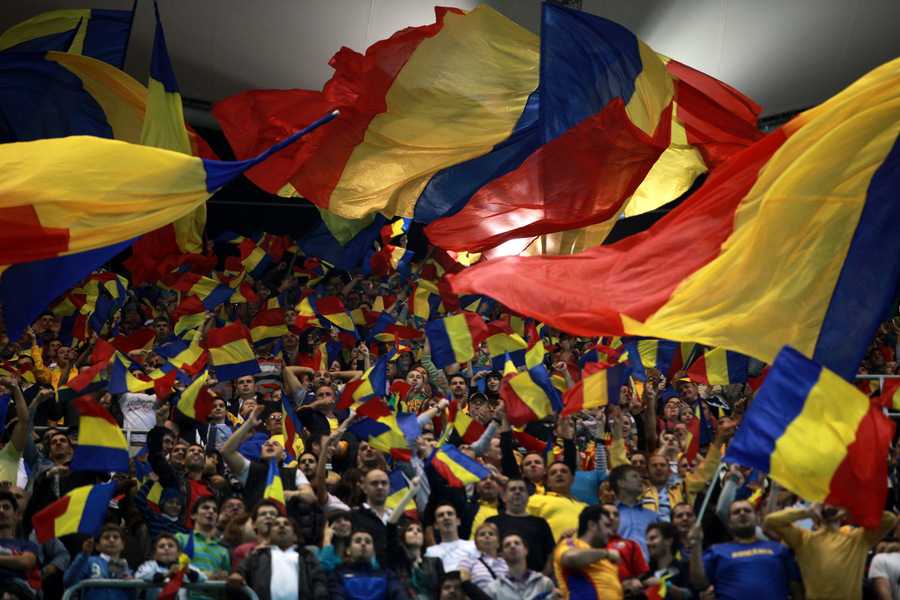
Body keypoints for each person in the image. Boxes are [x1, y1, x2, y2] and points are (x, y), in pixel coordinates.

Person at [764, 502, 897, 600]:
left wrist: (850, 510)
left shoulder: (858, 538)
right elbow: (771, 521)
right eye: (825, 504)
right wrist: (807, 512)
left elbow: (889, 519)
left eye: (834, 503)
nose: (829, 506)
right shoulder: (804, 539)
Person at [691, 500, 801, 599]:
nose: (742, 513)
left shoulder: (778, 548)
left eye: (747, 510)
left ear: (757, 518)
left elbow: (795, 586)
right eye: (736, 512)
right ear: (729, 523)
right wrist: (696, 545)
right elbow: (699, 583)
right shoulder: (716, 550)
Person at [229, 516, 330, 600]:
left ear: (295, 536)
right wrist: (237, 575)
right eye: (276, 524)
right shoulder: (257, 555)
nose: (281, 526)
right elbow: (240, 572)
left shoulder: (306, 556)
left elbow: (319, 581)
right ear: (269, 536)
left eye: (286, 524)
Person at [553, 504, 623, 599]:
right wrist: (606, 553)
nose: (610, 532)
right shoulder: (572, 543)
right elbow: (570, 558)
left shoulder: (604, 557)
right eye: (606, 526)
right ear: (592, 525)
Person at [487, 479, 555, 573]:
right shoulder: (492, 522)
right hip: (498, 578)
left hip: (537, 578)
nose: (517, 492)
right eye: (512, 489)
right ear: (504, 497)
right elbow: (485, 552)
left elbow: (550, 555)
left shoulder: (540, 523)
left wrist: (542, 578)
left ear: (528, 497)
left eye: (521, 489)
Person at [175, 497, 230, 600]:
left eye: (215, 510)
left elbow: (225, 582)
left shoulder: (223, 550)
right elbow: (171, 568)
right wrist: (206, 576)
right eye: (205, 507)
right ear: (193, 515)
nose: (211, 511)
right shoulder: (180, 539)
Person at [332, 529, 410, 600]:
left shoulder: (386, 574)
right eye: (358, 541)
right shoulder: (338, 575)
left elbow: (399, 595)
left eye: (368, 542)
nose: (363, 544)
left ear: (373, 551)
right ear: (348, 550)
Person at [64, 524, 133, 600]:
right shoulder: (88, 561)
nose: (111, 540)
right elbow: (69, 581)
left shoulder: (126, 567)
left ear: (123, 545)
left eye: (115, 537)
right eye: (106, 537)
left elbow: (132, 595)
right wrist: (84, 555)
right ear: (97, 546)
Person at [526, 461, 588, 542]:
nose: (559, 474)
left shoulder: (585, 507)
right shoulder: (535, 500)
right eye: (553, 473)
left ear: (572, 479)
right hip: (554, 548)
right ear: (548, 482)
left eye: (564, 471)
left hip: (585, 548)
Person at [483, 533, 556, 600]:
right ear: (502, 555)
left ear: (525, 550)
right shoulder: (493, 589)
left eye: (517, 543)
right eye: (507, 545)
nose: (512, 546)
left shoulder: (544, 583)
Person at [135, 534, 207, 600]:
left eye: (170, 546)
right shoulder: (149, 565)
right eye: (161, 546)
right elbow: (139, 576)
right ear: (155, 554)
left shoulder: (184, 567)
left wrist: (189, 571)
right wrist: (167, 574)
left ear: (178, 553)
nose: (166, 548)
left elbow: (203, 578)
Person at [608, 465, 657, 559]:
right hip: (616, 566)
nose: (640, 479)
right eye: (634, 476)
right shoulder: (607, 515)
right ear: (621, 483)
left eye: (639, 476)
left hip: (648, 567)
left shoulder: (652, 516)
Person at [0, 490, 39, 599]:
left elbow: (26, 562)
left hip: (17, 592)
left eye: (6, 507)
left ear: (16, 515)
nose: (1, 511)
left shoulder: (27, 545)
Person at [601, 503, 648, 592]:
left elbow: (641, 573)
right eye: (606, 514)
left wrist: (631, 582)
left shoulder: (631, 545)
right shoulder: (587, 544)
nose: (612, 517)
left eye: (616, 515)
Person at [643, 522, 691, 599]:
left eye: (653, 538)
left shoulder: (683, 566)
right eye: (647, 540)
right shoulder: (645, 572)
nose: (648, 543)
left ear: (668, 541)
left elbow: (689, 594)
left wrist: (664, 586)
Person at [425, 503, 479, 572]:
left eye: (450, 514)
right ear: (436, 525)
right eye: (441, 515)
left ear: (458, 521)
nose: (446, 517)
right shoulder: (431, 552)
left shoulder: (473, 545)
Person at [459, 522, 508, 589]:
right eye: (482, 534)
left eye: (491, 534)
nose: (487, 536)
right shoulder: (468, 561)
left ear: (498, 543)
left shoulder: (507, 561)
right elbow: (465, 583)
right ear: (476, 543)